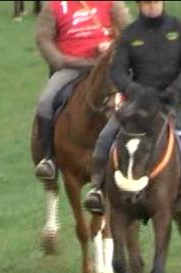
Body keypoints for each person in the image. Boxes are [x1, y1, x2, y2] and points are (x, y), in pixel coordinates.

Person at [84, 0, 181, 214]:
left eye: (155, 2)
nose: (152, 7)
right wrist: (134, 90)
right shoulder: (130, 34)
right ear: (139, 5)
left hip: (176, 100)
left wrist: (177, 89)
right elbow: (117, 70)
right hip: (140, 103)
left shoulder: (180, 28)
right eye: (146, 3)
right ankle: (97, 189)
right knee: (106, 136)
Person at [33, 1, 130, 180]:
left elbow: (128, 32)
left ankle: (138, 155)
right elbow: (44, 39)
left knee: (136, 101)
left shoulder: (111, 3)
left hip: (107, 68)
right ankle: (48, 158)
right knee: (45, 102)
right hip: (71, 68)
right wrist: (60, 60)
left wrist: (112, 49)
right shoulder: (54, 6)